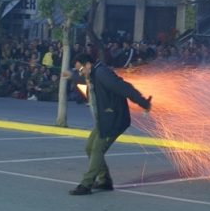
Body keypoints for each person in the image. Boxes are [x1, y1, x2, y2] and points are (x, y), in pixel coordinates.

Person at [64, 53, 152, 195]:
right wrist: (71, 75)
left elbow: (124, 88)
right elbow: (82, 77)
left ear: (88, 65)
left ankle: (86, 184)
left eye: (80, 69)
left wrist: (143, 102)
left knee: (97, 149)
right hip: (104, 120)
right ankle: (104, 181)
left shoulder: (102, 73)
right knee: (89, 148)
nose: (80, 73)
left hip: (114, 119)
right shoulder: (93, 73)